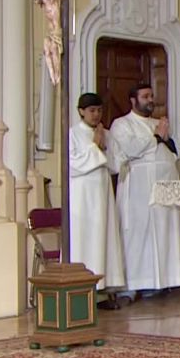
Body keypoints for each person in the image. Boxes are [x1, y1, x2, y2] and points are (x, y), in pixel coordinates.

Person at [108, 84, 180, 296]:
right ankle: (138, 283)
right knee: (141, 233)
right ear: (133, 100)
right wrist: (156, 137)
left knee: (167, 231)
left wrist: (166, 138)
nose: (151, 100)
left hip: (166, 184)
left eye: (152, 96)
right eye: (145, 96)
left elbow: (178, 150)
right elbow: (131, 149)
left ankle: (166, 281)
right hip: (139, 188)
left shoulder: (159, 123)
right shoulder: (121, 124)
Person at [69, 92, 126, 298]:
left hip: (102, 191)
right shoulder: (73, 134)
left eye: (99, 110)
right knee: (86, 236)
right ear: (81, 111)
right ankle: (81, 283)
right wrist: (95, 147)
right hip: (82, 194)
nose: (96, 115)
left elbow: (117, 163)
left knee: (104, 234)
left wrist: (103, 147)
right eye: (92, 111)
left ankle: (104, 287)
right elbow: (72, 165)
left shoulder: (107, 133)